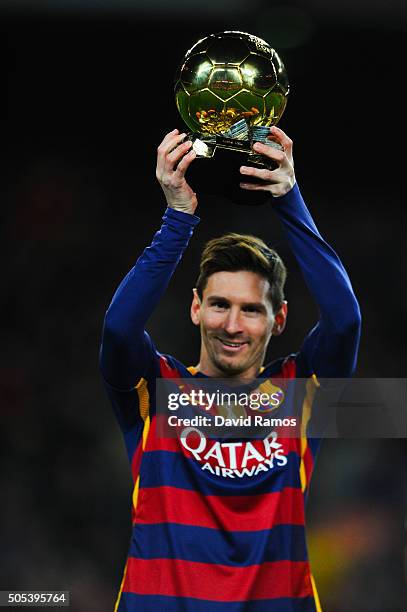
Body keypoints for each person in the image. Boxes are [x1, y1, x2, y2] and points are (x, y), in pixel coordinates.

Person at [99, 126, 361, 611]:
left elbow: (345, 321)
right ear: (195, 308)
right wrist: (178, 217)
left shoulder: (300, 392)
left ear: (278, 318)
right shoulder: (155, 390)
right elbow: (118, 331)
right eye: (220, 305)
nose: (233, 325)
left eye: (252, 309)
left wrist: (288, 196)